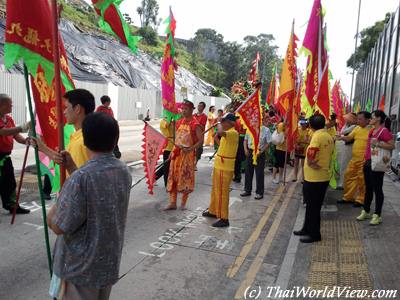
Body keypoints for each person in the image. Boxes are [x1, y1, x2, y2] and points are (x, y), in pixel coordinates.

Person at [47, 112, 132, 300]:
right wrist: (71, 168)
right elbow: (95, 193)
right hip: (107, 264)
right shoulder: (123, 170)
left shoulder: (81, 178)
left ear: (85, 140)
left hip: (79, 271)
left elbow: (59, 226)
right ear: (115, 138)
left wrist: (53, 210)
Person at [34, 89, 95, 175]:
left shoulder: (82, 141)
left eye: (66, 107)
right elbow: (64, 161)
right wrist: (42, 148)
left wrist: (43, 148)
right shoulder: (79, 136)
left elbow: (78, 177)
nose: (64, 112)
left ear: (77, 109)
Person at [293, 114, 334, 243]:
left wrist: (311, 163)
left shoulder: (317, 137)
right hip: (321, 176)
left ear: (310, 125)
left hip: (315, 178)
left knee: (313, 207)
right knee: (311, 206)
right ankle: (306, 228)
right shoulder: (328, 136)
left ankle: (315, 234)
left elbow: (311, 153)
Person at [357, 110, 394, 225]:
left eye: (372, 117)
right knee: (368, 188)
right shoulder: (372, 130)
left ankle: (377, 215)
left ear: (378, 118)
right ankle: (366, 210)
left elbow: (392, 145)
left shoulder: (384, 131)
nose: (370, 119)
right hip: (368, 162)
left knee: (377, 189)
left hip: (377, 164)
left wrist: (378, 143)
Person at [164, 100, 203, 211]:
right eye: (183, 109)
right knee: (173, 177)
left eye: (186, 109)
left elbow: (201, 141)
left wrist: (190, 149)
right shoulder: (179, 122)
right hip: (176, 154)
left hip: (187, 155)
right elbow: (177, 139)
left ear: (191, 110)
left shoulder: (195, 124)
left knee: (185, 178)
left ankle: (183, 203)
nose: (183, 111)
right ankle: (172, 202)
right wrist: (172, 152)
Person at [202, 113, 239, 227]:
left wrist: (218, 123)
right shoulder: (227, 134)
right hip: (219, 164)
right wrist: (215, 137)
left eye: (224, 121)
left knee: (222, 192)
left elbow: (221, 132)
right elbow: (221, 143)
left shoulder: (233, 132)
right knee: (215, 190)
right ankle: (213, 211)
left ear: (231, 123)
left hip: (225, 167)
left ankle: (224, 217)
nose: (222, 123)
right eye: (222, 122)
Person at [0, 94, 30, 214]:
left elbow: (15, 135)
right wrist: (21, 127)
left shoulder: (9, 119)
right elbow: (3, 132)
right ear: (1, 105)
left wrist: (25, 141)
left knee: (9, 181)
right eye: (9, 104)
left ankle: (12, 205)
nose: (12, 106)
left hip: (5, 156)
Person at [337, 111, 371, 207]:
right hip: (354, 159)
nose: (358, 121)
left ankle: (361, 199)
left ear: (367, 120)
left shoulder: (371, 131)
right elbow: (349, 138)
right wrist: (341, 137)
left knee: (361, 180)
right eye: (358, 119)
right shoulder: (357, 129)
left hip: (364, 160)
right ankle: (348, 197)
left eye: (360, 119)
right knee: (348, 176)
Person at [240, 119, 272, 200]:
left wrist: (262, 151)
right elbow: (245, 140)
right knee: (248, 172)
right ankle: (247, 190)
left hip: (260, 152)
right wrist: (245, 149)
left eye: (256, 121)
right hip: (250, 151)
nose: (254, 122)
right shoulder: (250, 128)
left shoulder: (266, 130)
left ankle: (259, 192)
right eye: (253, 121)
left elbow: (269, 142)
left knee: (259, 173)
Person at [335, 113, 357, 189]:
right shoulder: (348, 125)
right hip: (345, 147)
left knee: (345, 165)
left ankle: (343, 183)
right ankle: (342, 182)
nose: (346, 120)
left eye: (348, 119)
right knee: (342, 164)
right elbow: (342, 131)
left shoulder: (354, 126)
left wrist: (340, 136)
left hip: (350, 147)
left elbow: (342, 132)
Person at [155, 118, 174, 186]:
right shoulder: (164, 120)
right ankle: (167, 184)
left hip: (176, 146)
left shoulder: (177, 120)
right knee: (167, 167)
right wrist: (171, 120)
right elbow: (164, 126)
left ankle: (155, 177)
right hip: (168, 147)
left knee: (170, 165)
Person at [272, 119, 286, 184]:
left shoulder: (288, 126)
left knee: (282, 164)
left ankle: (280, 177)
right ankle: (273, 178)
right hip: (279, 148)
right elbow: (281, 134)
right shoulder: (281, 125)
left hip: (285, 148)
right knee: (277, 163)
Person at [233, 116, 246, 183]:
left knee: (237, 160)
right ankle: (238, 175)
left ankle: (237, 176)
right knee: (240, 159)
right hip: (245, 140)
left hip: (238, 140)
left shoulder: (236, 121)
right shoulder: (245, 120)